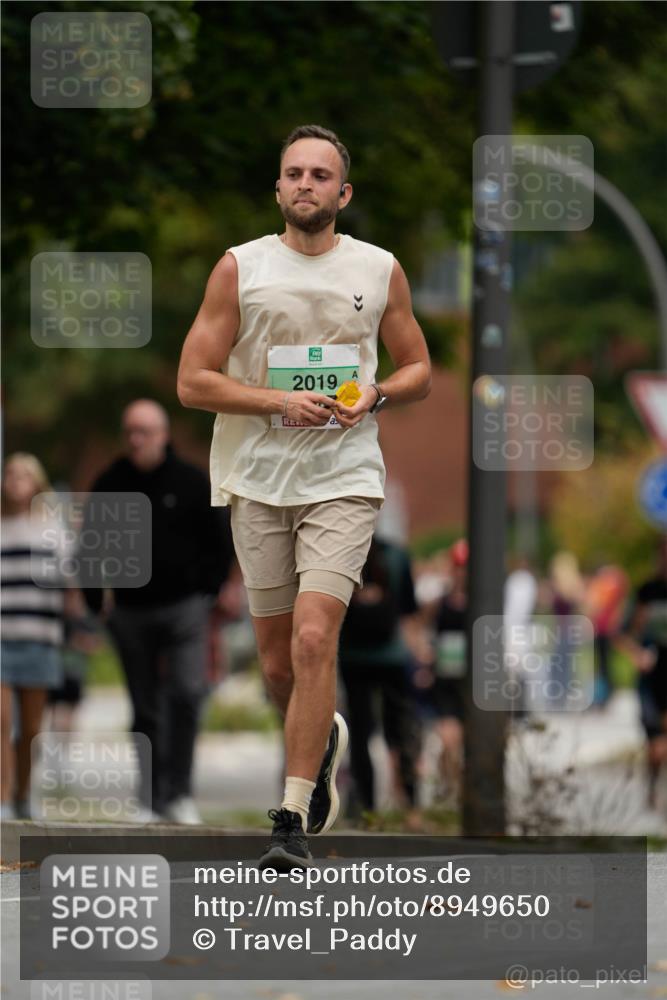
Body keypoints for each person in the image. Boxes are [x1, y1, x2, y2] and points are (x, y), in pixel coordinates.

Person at [177, 124, 431, 869]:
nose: (306, 185)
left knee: (316, 639)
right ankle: (317, 749)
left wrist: (377, 392)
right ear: (278, 189)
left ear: (342, 193)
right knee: (280, 663)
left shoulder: (378, 268)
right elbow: (194, 382)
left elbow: (417, 366)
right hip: (257, 477)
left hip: (343, 476)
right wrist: (273, 401)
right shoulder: (240, 269)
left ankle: (288, 816)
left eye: (321, 175)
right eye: (294, 173)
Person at [83, 399, 235, 824]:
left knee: (187, 693)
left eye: (145, 431)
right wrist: (97, 602)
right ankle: (149, 798)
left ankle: (180, 792)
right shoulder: (110, 483)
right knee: (145, 706)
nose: (136, 439)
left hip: (186, 608)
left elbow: (219, 542)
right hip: (131, 611)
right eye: (130, 431)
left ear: (163, 435)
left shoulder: (190, 482)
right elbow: (90, 548)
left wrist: (211, 589)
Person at [338, 534, 422, 818]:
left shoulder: (340, 550)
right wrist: (420, 656)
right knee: (399, 730)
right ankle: (410, 804)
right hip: (392, 656)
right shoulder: (396, 554)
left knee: (359, 734)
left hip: (353, 655)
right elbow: (409, 610)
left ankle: (366, 807)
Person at [1, 453, 65, 820]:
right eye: (10, 474)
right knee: (0, 723)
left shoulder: (52, 528)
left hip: (40, 638)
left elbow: (70, 580)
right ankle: (3, 798)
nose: (15, 480)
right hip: (2, 638)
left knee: (29, 730)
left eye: (23, 474)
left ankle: (25, 793)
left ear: (36, 482)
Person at [615, 538, 667, 810]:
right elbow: (621, 632)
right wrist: (638, 655)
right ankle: (651, 787)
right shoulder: (648, 592)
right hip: (652, 678)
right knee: (656, 748)